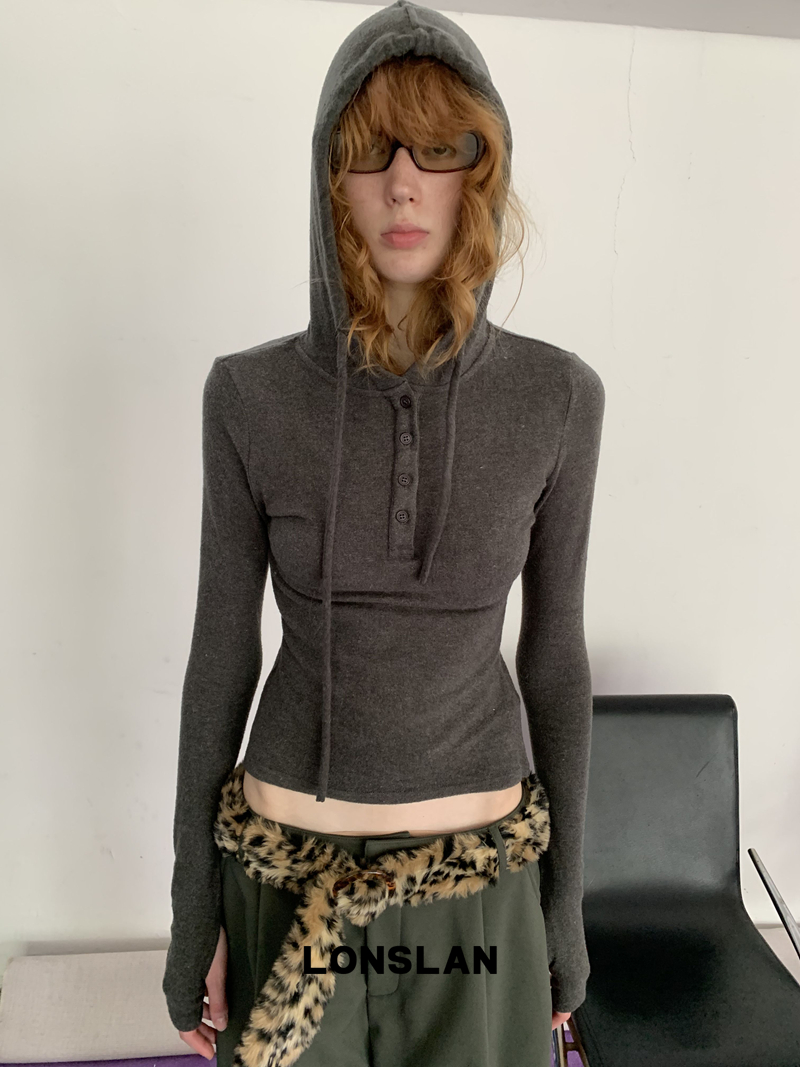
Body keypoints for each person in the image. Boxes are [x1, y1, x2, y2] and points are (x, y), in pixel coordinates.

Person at [161, 2, 605, 1065]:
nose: (403, 183)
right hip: (283, 884)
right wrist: (192, 914)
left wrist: (564, 906)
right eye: (370, 150)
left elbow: (554, 656)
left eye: (439, 148)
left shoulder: (557, 398)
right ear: (329, 178)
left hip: (477, 892)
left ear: (481, 170)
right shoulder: (249, 396)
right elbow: (221, 651)